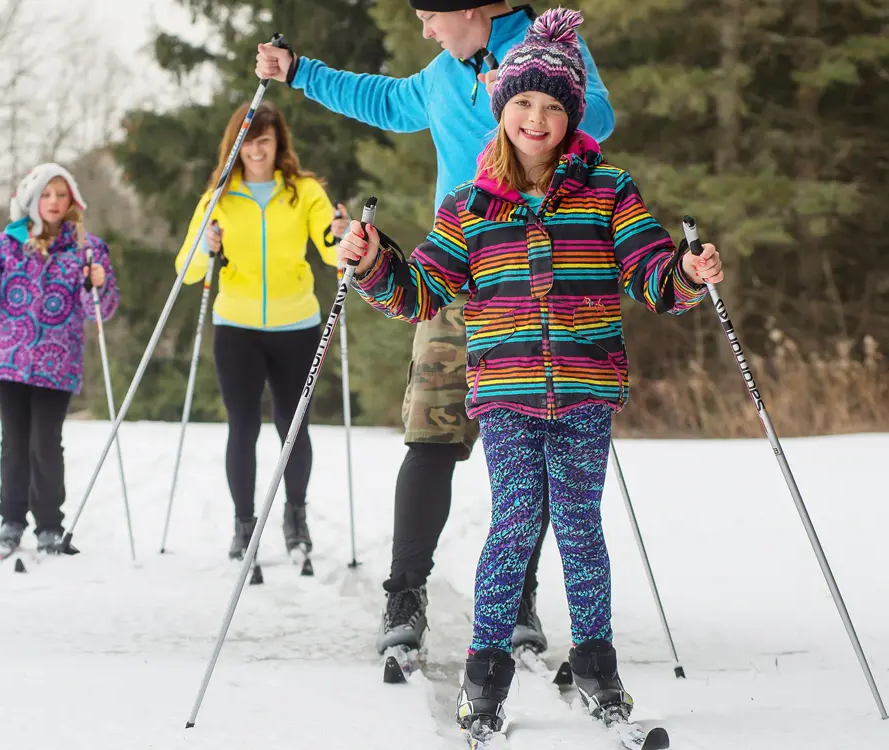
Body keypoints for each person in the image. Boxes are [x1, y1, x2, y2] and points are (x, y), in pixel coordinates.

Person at [337, 8, 723, 738]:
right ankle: (486, 676)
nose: (536, 119)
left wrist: (687, 273)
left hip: (584, 389)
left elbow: (649, 275)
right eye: (522, 104)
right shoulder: (472, 206)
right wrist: (372, 262)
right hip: (508, 392)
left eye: (552, 107)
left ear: (573, 116)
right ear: (500, 109)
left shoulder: (609, 192)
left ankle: (599, 664)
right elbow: (420, 291)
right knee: (514, 523)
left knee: (580, 526)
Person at [257, 0, 615, 656]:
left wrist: (518, 95)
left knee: (532, 452)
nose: (424, 29)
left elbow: (601, 117)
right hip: (456, 276)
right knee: (431, 436)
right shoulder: (442, 72)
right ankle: (405, 593)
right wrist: (300, 71)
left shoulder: (544, 46)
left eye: (430, 16)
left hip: (534, 281)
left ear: (473, 11)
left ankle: (517, 597)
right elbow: (389, 101)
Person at [175, 101, 349, 565]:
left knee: (293, 427)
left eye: (265, 141)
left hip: (297, 324)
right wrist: (207, 248)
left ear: (278, 145)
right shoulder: (218, 197)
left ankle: (296, 518)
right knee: (243, 426)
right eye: (249, 141)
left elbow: (333, 254)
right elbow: (187, 269)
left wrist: (340, 233)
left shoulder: (304, 191)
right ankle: (243, 523)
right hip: (237, 326)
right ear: (238, 143)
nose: (257, 150)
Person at [0, 163, 120, 554]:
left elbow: (99, 309)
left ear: (72, 200)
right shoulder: (6, 244)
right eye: (46, 195)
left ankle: (48, 523)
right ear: (32, 200)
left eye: (61, 195)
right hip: (10, 357)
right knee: (14, 442)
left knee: (45, 442)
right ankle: (11, 518)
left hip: (56, 361)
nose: (54, 202)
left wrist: (98, 283)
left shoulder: (86, 248)